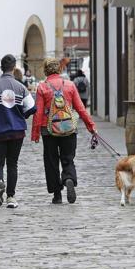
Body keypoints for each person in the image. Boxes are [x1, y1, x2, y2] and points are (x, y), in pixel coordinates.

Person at [31, 58, 96, 204]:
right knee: (68, 158)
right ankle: (68, 179)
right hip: (69, 128)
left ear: (46, 70)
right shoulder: (70, 85)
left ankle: (57, 195)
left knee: (51, 161)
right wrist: (91, 127)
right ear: (59, 70)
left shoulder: (42, 87)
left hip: (48, 130)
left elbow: (38, 112)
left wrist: (35, 133)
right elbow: (80, 108)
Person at [0, 55, 36, 209]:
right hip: (17, 131)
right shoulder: (20, 87)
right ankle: (11, 196)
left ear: (1, 67)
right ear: (14, 67)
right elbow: (32, 107)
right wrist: (21, 115)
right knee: (13, 164)